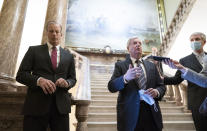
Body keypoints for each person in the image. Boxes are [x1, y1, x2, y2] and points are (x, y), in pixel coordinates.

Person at [16, 21, 76, 131]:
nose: (54, 34)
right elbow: (20, 75)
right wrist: (39, 80)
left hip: (61, 108)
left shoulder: (69, 56)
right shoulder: (33, 51)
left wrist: (67, 83)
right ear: (46, 33)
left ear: (61, 35)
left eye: (57, 32)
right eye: (51, 31)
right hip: (36, 106)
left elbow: (73, 79)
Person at [108, 37, 166, 131]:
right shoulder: (120, 65)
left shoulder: (151, 65)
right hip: (130, 115)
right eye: (135, 43)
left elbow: (161, 86)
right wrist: (125, 78)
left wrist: (157, 92)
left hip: (151, 114)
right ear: (128, 48)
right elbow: (111, 87)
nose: (138, 45)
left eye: (140, 43)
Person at [163, 32, 207, 131]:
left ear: (204, 42)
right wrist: (162, 79)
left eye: (197, 39)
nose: (194, 42)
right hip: (197, 102)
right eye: (192, 40)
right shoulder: (184, 61)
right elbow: (176, 80)